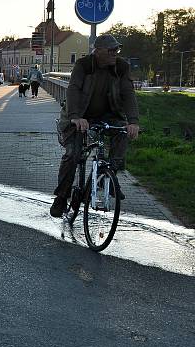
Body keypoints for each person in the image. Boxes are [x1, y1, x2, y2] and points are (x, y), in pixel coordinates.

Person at [49, 34, 140, 217]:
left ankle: (109, 174)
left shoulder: (121, 67)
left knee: (121, 131)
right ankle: (61, 197)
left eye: (117, 50)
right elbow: (73, 89)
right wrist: (75, 116)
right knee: (72, 154)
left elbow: (128, 94)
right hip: (80, 115)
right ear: (98, 52)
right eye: (111, 50)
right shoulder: (83, 65)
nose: (115, 53)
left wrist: (133, 121)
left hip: (107, 114)